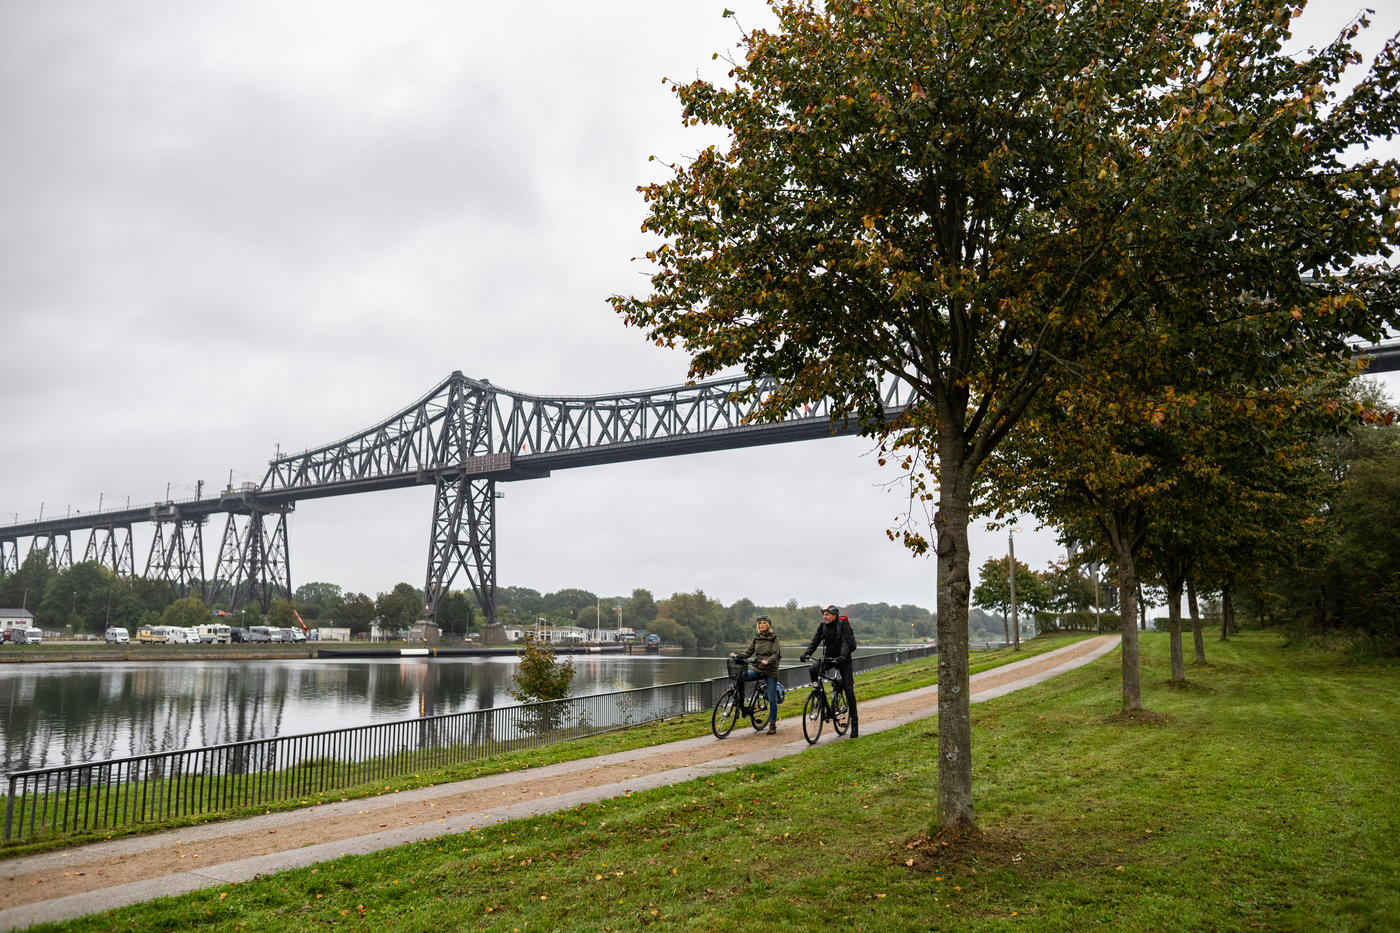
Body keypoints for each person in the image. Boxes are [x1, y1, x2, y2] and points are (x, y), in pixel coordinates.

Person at [800, 604, 859, 738]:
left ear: (834, 615)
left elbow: (846, 643)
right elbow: (815, 641)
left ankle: (855, 724)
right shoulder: (823, 627)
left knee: (849, 690)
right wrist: (806, 653)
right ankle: (819, 693)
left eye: (827, 615)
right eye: (824, 615)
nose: (825, 617)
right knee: (813, 669)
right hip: (828, 658)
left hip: (844, 659)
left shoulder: (843, 626)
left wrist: (843, 656)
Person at [731, 615, 782, 734]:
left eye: (764, 623)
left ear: (768, 624)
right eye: (760, 623)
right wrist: (737, 655)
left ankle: (772, 725)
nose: (761, 625)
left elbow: (776, 654)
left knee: (772, 698)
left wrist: (767, 661)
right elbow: (748, 652)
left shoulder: (774, 638)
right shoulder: (757, 637)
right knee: (741, 676)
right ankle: (741, 703)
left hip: (771, 671)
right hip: (758, 668)